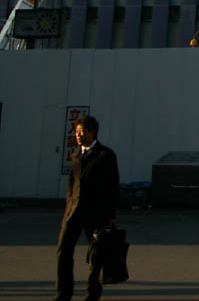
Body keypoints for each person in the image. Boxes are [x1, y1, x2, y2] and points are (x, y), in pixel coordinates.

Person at [56, 115, 118, 301]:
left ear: (92, 132)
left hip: (96, 213)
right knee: (63, 251)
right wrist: (68, 205)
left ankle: (92, 293)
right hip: (73, 211)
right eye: (76, 132)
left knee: (96, 255)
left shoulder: (105, 155)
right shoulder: (76, 155)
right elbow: (71, 184)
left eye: (82, 132)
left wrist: (110, 215)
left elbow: (113, 187)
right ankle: (63, 293)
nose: (78, 136)